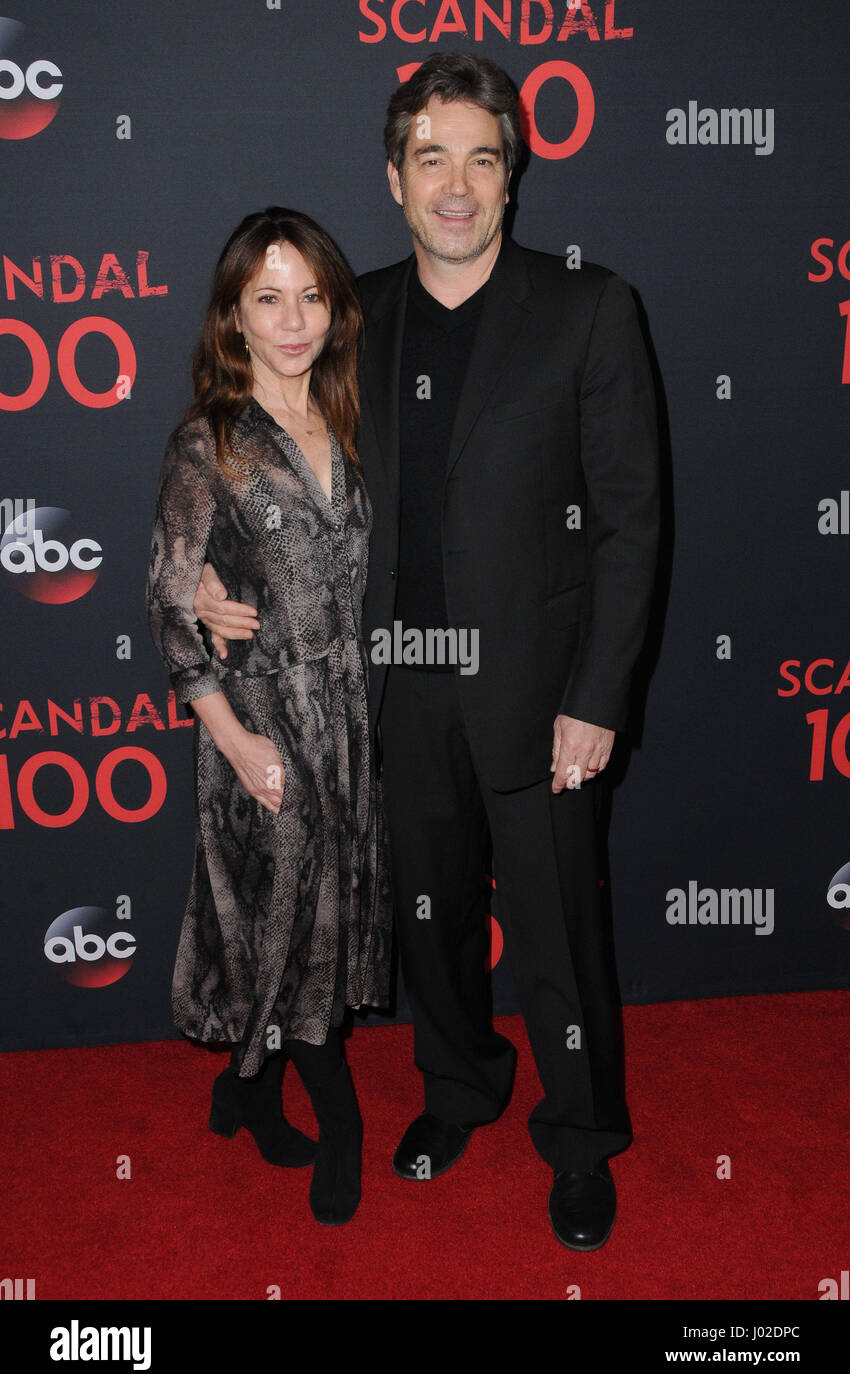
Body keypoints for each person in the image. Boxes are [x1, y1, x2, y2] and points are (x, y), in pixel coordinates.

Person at [194, 52, 660, 1252]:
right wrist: (208, 560)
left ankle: (581, 1135)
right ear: (393, 180)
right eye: (431, 159)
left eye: (482, 157)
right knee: (429, 923)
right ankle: (458, 1091)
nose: (457, 185)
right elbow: (260, 443)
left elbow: (627, 520)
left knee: (557, 931)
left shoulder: (588, 305)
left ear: (513, 176)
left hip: (541, 695)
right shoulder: (357, 319)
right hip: (389, 691)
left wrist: (597, 695)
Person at [146, 207, 392, 1227]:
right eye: (267, 299)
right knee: (289, 915)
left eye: (311, 296)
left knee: (324, 905)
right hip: (257, 721)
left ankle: (242, 1087)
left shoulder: (354, 416)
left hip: (346, 713)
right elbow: (167, 598)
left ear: (334, 309)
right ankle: (340, 1119)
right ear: (232, 318)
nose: (292, 320)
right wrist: (238, 743)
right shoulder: (209, 444)